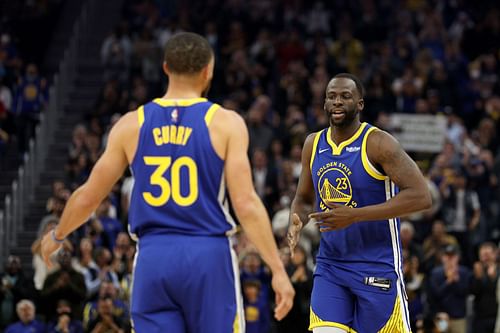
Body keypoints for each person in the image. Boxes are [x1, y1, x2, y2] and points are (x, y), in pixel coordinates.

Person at [41, 32, 294, 333]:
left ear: (165, 68)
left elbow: (87, 197)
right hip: (208, 255)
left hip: (153, 257)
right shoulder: (226, 123)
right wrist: (277, 269)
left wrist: (57, 235)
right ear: (208, 71)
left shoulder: (131, 124)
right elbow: (246, 203)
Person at [287, 73, 431, 333]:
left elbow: (421, 196)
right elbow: (303, 197)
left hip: (377, 264)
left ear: (360, 104)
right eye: (331, 96)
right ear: (324, 103)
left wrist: (356, 215)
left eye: (345, 96)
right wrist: (295, 219)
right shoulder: (313, 143)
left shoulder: (378, 143)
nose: (337, 102)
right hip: (331, 264)